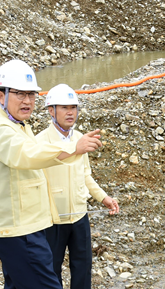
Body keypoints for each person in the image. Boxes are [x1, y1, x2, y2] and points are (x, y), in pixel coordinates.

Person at [0, 59, 103, 289]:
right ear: (1, 95)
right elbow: (26, 154)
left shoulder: (18, 125)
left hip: (31, 225)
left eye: (31, 95)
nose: (27, 101)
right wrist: (73, 148)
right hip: (19, 230)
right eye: (19, 94)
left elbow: (84, 174)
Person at [38, 84, 119, 289]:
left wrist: (103, 198)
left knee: (82, 268)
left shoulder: (79, 137)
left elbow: (85, 175)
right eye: (64, 107)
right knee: (51, 270)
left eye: (73, 107)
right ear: (51, 110)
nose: (70, 112)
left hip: (79, 216)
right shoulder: (40, 141)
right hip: (52, 219)